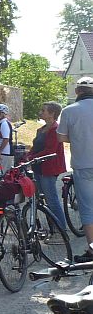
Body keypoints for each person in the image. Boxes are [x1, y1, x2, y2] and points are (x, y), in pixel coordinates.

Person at [58, 77, 93, 262]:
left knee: (88, 209)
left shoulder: (69, 111)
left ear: (77, 91)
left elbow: (61, 138)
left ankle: (92, 250)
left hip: (83, 164)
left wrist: (79, 138)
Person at [27, 101, 67, 230]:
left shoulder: (56, 129)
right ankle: (52, 227)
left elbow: (50, 150)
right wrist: (27, 156)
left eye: (43, 110)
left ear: (52, 114)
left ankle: (61, 228)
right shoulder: (42, 129)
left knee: (52, 199)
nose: (40, 112)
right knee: (42, 198)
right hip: (38, 167)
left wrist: (32, 157)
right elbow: (36, 147)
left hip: (49, 168)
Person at [0, 103, 15, 173]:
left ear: (2, 114)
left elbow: (6, 139)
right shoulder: (2, 123)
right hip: (4, 153)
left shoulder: (4, 124)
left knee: (3, 175)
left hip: (5, 153)